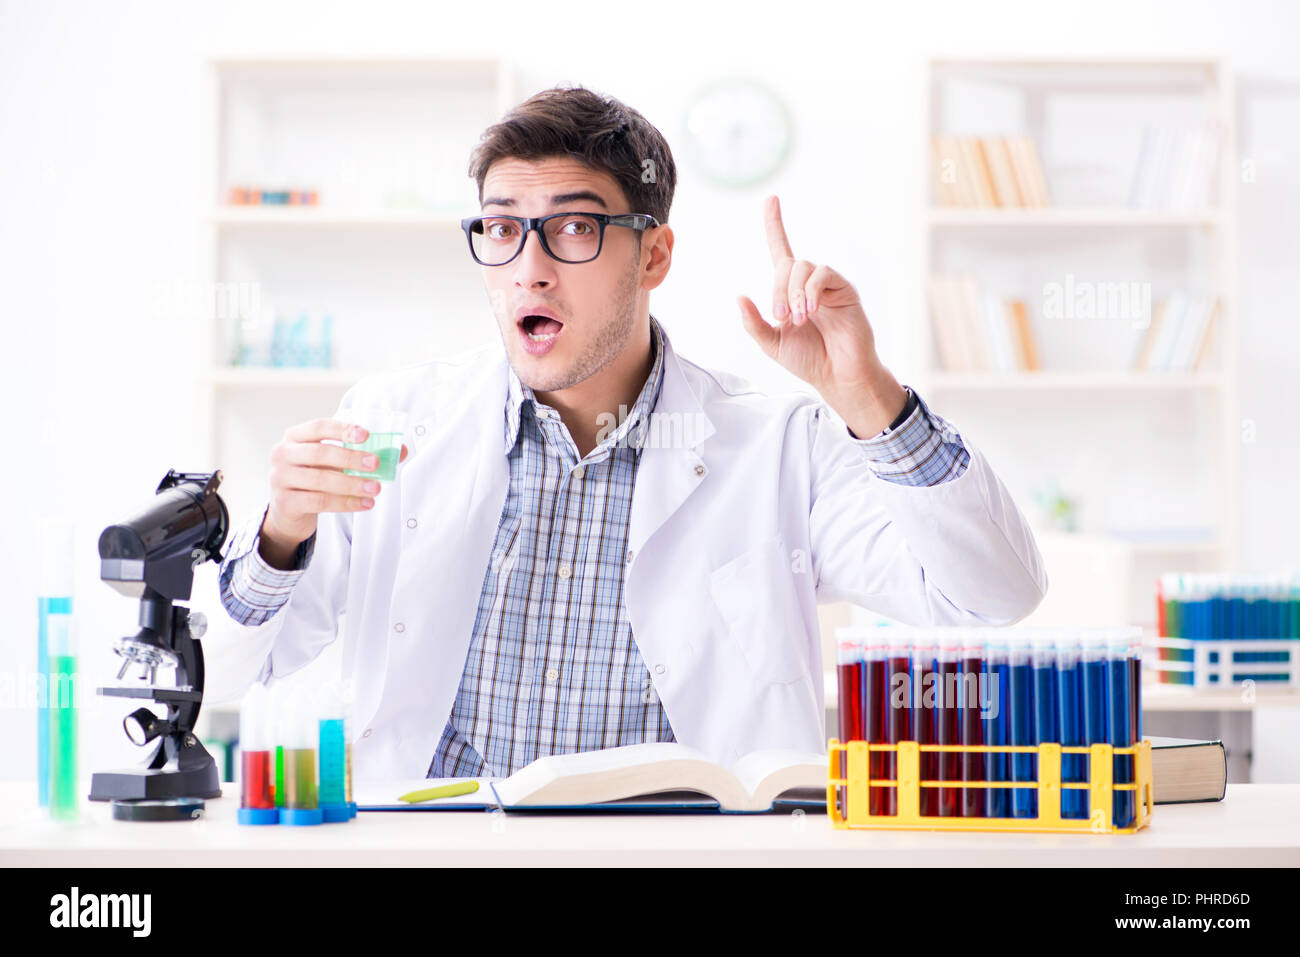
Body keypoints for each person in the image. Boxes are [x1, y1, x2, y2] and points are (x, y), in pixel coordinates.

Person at [215, 85, 1046, 781]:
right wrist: (282, 534)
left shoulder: (775, 445)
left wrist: (870, 397)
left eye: (573, 228)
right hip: (444, 849)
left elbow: (993, 593)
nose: (529, 267)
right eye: (502, 228)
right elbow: (246, 667)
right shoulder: (394, 422)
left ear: (653, 257)